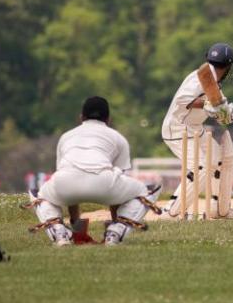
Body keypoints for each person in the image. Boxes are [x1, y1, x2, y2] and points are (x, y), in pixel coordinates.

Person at [28, 96, 161, 246]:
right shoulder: (118, 138)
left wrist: (76, 225)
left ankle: (59, 231)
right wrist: (114, 222)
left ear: (81, 117)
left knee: (38, 194)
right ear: (108, 119)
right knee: (147, 190)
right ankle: (116, 232)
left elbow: (70, 176)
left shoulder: (66, 137)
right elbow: (118, 179)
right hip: (104, 184)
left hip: (65, 184)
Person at [162, 43, 233, 219]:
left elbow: (219, 109)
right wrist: (208, 105)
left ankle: (219, 209)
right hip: (177, 129)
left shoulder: (213, 83)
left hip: (195, 130)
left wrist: (226, 113)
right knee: (201, 167)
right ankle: (172, 213)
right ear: (228, 66)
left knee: (220, 159)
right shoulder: (199, 78)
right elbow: (183, 101)